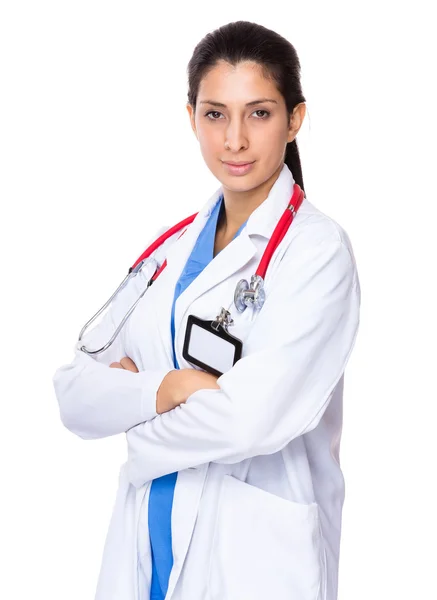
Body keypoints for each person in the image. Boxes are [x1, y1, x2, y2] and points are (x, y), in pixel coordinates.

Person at [53, 20, 361, 600]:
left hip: (253, 560)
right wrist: (169, 388)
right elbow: (74, 395)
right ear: (191, 116)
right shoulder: (167, 253)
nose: (235, 140)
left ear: (295, 119)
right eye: (215, 113)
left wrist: (134, 424)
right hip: (147, 543)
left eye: (260, 113)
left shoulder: (317, 253)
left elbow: (253, 419)